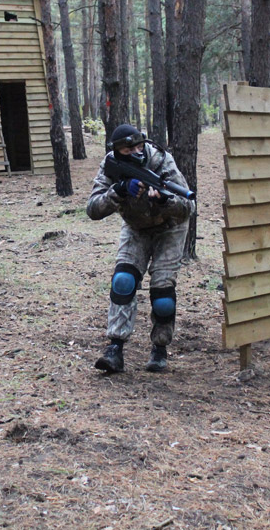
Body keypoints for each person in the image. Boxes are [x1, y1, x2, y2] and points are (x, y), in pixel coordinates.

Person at [86, 124, 193, 373]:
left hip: (170, 228)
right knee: (123, 281)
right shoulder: (111, 164)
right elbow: (92, 209)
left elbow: (189, 207)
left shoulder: (161, 161)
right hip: (136, 228)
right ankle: (115, 348)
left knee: (162, 296)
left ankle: (159, 347)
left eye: (138, 146)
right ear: (117, 151)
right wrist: (119, 192)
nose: (135, 151)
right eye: (128, 148)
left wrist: (166, 201)